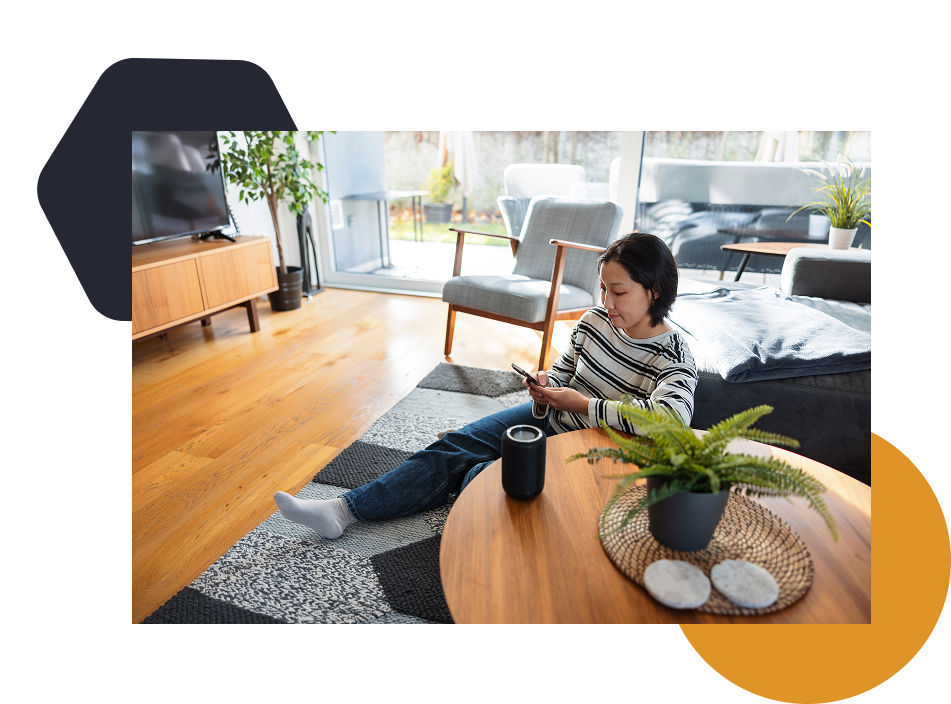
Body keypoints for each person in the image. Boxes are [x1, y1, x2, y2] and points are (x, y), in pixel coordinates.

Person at [273, 232, 698, 539]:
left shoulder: (674, 354)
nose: (607, 302)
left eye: (619, 292)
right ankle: (342, 509)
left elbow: (672, 420)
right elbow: (564, 375)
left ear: (655, 290)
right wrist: (545, 389)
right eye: (603, 288)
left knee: (478, 472)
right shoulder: (594, 322)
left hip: (589, 452)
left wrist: (584, 405)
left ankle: (469, 489)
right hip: (554, 421)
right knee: (457, 443)